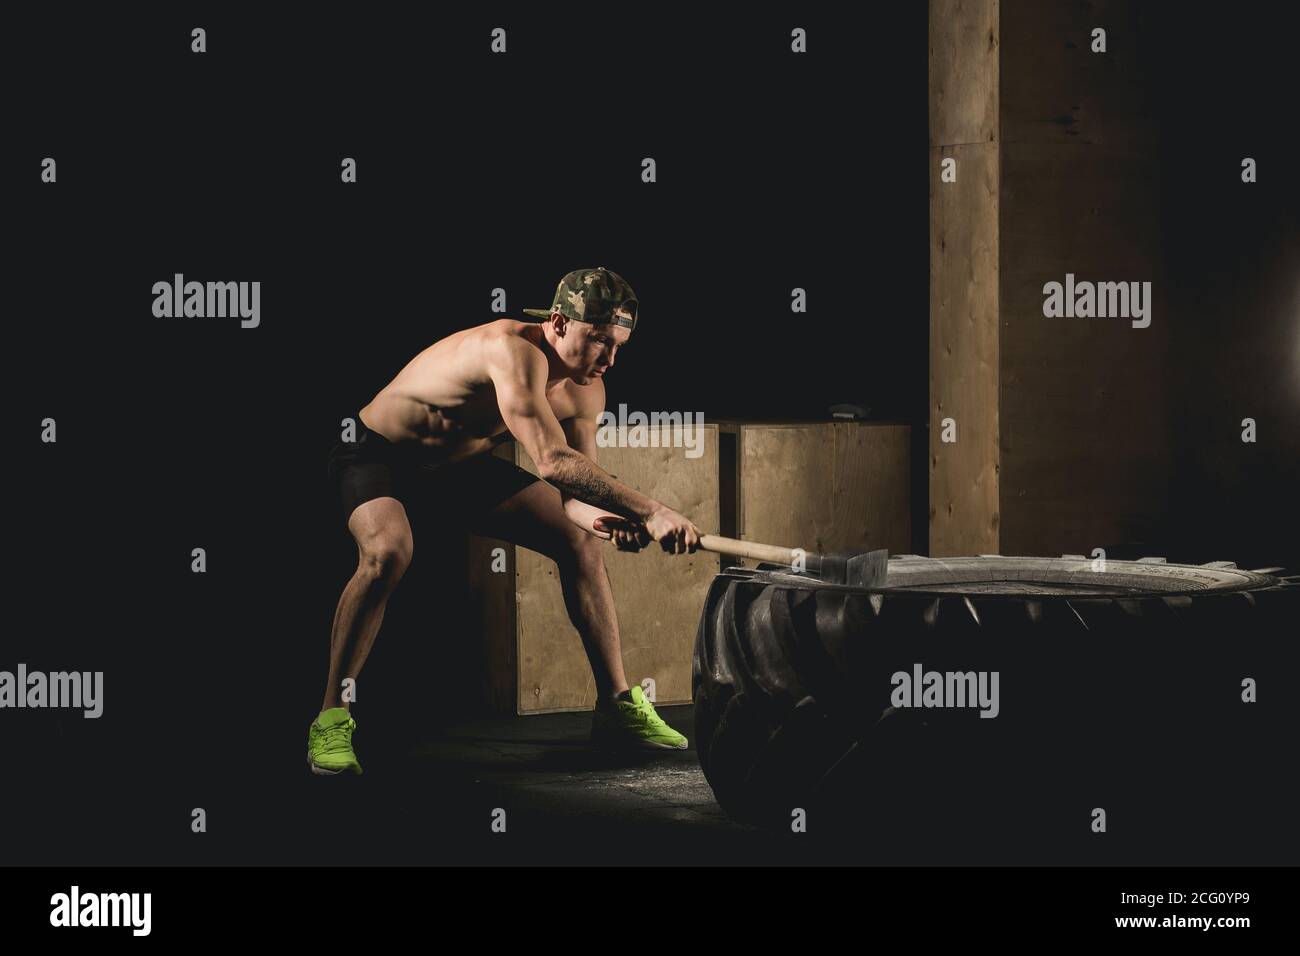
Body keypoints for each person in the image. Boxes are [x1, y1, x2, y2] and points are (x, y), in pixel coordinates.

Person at [310, 267, 701, 774]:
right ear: (558, 323)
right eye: (599, 340)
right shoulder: (510, 348)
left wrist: (610, 519)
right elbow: (553, 462)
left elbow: (573, 497)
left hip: (453, 469)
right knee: (388, 552)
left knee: (578, 541)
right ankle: (330, 718)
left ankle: (618, 706)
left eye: (619, 345)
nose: (609, 358)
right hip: (378, 455)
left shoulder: (586, 391)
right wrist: (650, 509)